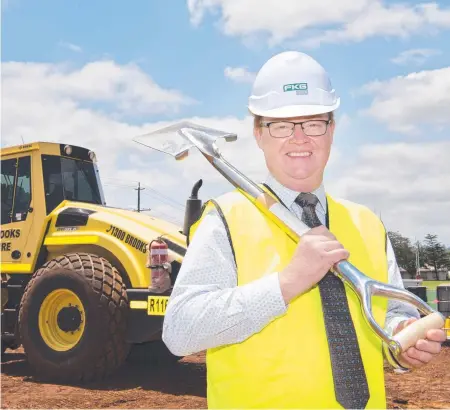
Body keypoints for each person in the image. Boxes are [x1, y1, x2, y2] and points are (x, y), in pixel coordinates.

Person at [162, 51, 446, 409]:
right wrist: (287, 283)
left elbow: (392, 318)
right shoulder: (225, 218)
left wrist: (403, 345)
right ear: (258, 133)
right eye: (281, 125)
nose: (299, 139)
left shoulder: (366, 224)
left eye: (313, 123)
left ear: (332, 129)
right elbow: (181, 331)